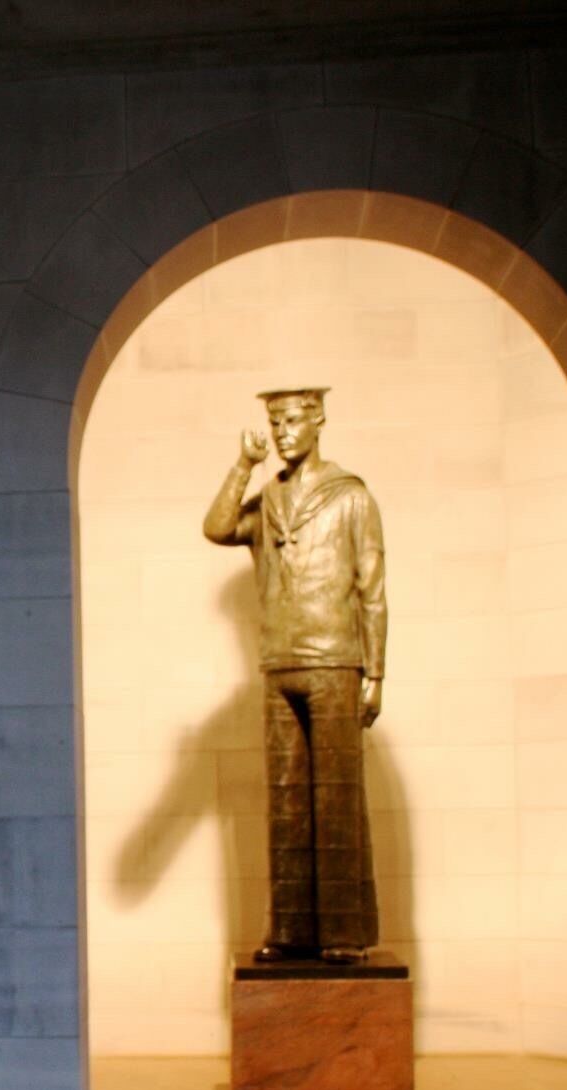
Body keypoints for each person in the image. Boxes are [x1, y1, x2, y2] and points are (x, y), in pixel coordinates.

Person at [202, 387, 386, 965]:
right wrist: (242, 465)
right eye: (274, 421)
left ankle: (343, 933)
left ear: (319, 420)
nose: (281, 431)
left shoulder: (351, 497)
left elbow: (372, 589)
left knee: (335, 800)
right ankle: (290, 930)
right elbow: (216, 527)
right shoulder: (267, 500)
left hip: (335, 660)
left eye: (292, 420)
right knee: (286, 803)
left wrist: (375, 671)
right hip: (279, 662)